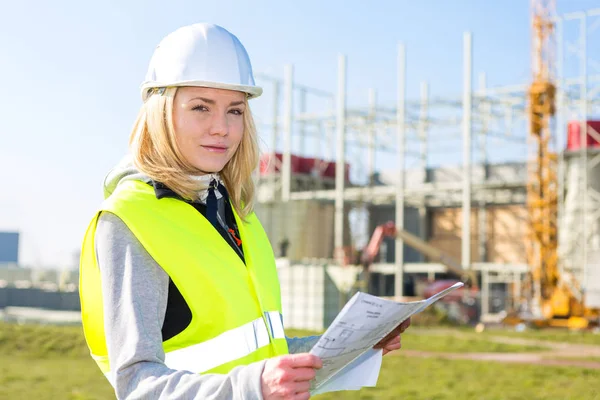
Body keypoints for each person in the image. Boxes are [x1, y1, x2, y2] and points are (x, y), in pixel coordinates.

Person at [79, 22, 410, 400]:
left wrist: (354, 347)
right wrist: (252, 388)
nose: (221, 128)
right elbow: (138, 385)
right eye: (200, 107)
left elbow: (260, 350)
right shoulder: (130, 221)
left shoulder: (233, 213)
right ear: (161, 112)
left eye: (234, 110)